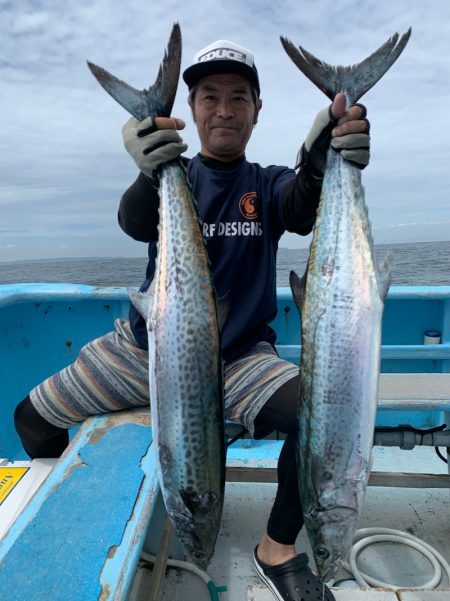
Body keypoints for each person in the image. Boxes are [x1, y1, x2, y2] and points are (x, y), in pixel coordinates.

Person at [14, 39, 370, 601]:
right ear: (192, 108)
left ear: (257, 109)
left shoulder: (266, 183)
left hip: (241, 358)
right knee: (30, 419)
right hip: (148, 350)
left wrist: (323, 154)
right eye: (210, 97)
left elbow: (302, 203)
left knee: (315, 417)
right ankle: (81, 488)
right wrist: (147, 169)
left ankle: (276, 547)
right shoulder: (169, 176)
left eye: (238, 97)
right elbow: (134, 221)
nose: (224, 109)